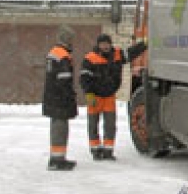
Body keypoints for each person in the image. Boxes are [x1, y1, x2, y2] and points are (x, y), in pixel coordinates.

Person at [80, 33, 147, 160]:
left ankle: (108, 151)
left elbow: (131, 52)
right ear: (98, 45)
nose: (105, 46)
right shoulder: (90, 58)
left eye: (107, 44)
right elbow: (84, 78)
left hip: (109, 97)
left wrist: (144, 44)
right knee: (93, 125)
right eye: (102, 44)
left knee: (110, 126)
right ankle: (95, 150)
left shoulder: (117, 55)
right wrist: (88, 93)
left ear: (110, 44)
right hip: (95, 97)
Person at [43, 25, 78, 171]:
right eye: (71, 39)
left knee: (58, 127)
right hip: (59, 98)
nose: (72, 42)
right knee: (60, 128)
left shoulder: (54, 53)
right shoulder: (62, 55)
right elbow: (64, 79)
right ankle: (57, 160)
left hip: (53, 96)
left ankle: (58, 158)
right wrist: (69, 96)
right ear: (66, 39)